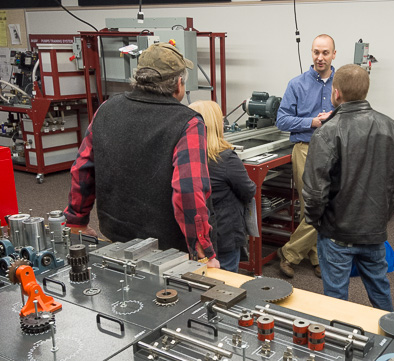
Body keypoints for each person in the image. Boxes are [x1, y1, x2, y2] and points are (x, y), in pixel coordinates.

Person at [64, 43, 219, 267]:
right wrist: (204, 251)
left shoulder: (106, 109)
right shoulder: (188, 122)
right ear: (178, 83)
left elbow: (83, 169)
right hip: (169, 251)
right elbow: (188, 190)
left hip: (115, 236)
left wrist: (76, 221)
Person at [302, 64, 394, 311]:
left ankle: (338, 344)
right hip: (374, 232)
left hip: (336, 233)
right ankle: (392, 343)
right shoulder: (392, 127)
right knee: (380, 291)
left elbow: (315, 192)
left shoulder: (327, 132)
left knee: (336, 301)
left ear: (336, 93)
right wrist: (380, 219)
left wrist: (317, 222)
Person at [275, 34, 337, 279]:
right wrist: (311, 121)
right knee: (309, 205)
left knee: (327, 205)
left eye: (325, 53)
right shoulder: (296, 84)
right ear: (311, 53)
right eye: (316, 52)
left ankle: (290, 253)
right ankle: (316, 256)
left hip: (332, 150)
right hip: (304, 148)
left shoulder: (341, 83)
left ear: (334, 54)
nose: (320, 57)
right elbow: (282, 120)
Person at [189, 100, 256, 272]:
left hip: (195, 234)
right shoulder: (225, 158)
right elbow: (248, 190)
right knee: (226, 284)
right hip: (224, 235)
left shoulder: (185, 158)